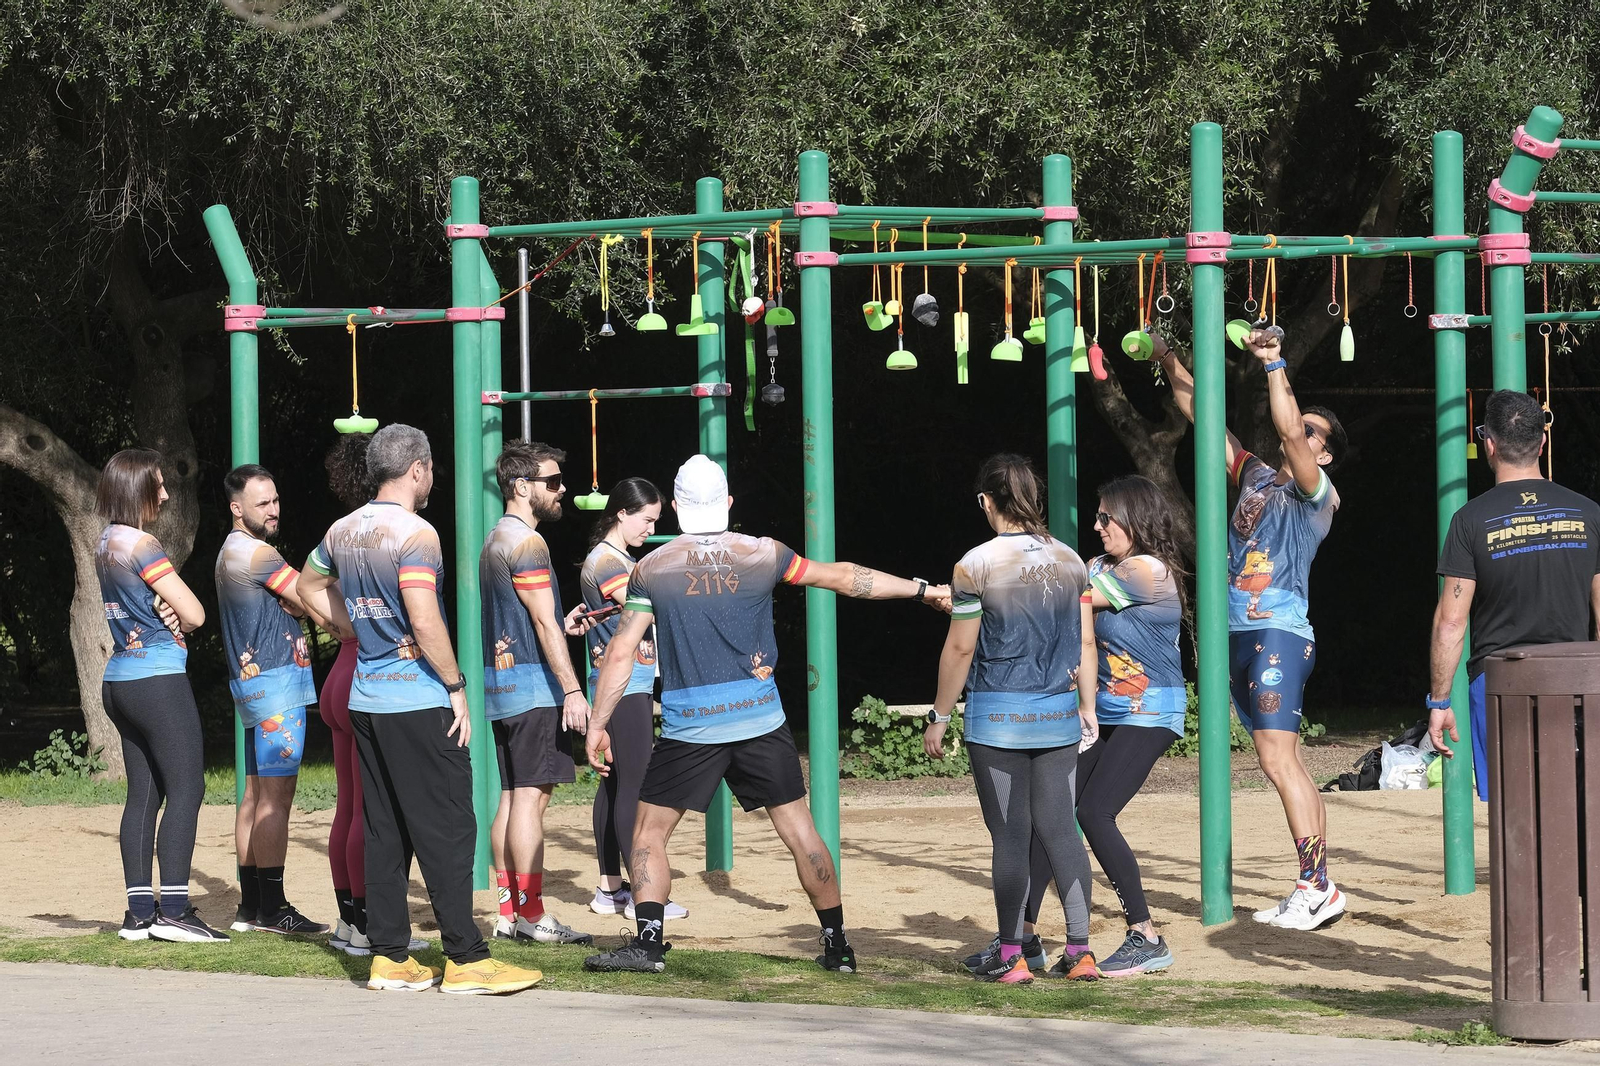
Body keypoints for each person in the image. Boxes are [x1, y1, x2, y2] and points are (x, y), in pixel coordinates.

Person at [582, 455, 950, 974]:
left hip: (693, 725)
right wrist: (922, 589)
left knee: (647, 835)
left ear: (678, 507)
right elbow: (846, 578)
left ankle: (646, 947)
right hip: (761, 718)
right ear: (728, 503)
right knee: (800, 831)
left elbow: (621, 652)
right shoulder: (763, 553)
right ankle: (837, 945)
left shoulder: (651, 569)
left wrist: (598, 724)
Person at [299, 423, 541, 995]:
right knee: (450, 825)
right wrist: (456, 684)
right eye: (430, 468)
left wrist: (347, 627)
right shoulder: (417, 534)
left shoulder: (341, 529)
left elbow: (308, 583)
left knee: (385, 828)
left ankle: (390, 958)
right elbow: (424, 615)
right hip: (417, 698)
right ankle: (465, 958)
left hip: (367, 698)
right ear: (417, 470)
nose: (432, 476)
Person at [1159, 326, 1350, 931]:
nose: (1299, 431)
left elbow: (1291, 427)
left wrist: (1274, 364)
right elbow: (1203, 417)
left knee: (1276, 760)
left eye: (1313, 432)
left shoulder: (1318, 495)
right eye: (1304, 425)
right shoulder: (1258, 476)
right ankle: (1319, 887)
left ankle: (1314, 885)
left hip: (1280, 634)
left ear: (1323, 453)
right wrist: (1166, 357)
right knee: (1285, 762)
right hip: (1237, 634)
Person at [925, 454, 1099, 984]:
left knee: (1009, 835)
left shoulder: (974, 564)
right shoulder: (1072, 561)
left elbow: (960, 648)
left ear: (986, 501)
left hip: (997, 719)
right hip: (1058, 717)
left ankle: (1010, 955)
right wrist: (1087, 707)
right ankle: (1081, 951)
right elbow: (1087, 640)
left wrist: (938, 714)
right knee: (1061, 830)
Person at [1428, 389, 1600, 798]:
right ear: (1543, 441)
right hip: (1573, 679)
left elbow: (1451, 622)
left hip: (1499, 682)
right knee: (1577, 802)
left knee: (1513, 809)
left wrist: (1438, 702)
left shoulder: (1469, 520)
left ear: (1488, 443)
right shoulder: (1589, 513)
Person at [96, 449, 225, 943]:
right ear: (136, 489)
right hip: (157, 679)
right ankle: (173, 909)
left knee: (144, 794)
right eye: (158, 485)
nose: (166, 494)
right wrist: (172, 611)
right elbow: (194, 614)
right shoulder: (143, 543)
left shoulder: (104, 541)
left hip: (119, 680)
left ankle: (138, 915)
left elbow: (141, 602)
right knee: (188, 789)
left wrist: (159, 607)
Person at [480, 440, 597, 945]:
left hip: (502, 687)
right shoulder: (529, 543)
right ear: (522, 487)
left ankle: (508, 912)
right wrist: (572, 688)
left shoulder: (494, 540)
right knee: (531, 800)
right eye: (552, 482)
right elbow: (544, 624)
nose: (562, 489)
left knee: (510, 799)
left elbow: (533, 619)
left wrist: (557, 622)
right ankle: (532, 915)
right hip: (533, 689)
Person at [1074, 475, 1184, 975]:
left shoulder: (1148, 570)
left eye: (1105, 517)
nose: (1097, 526)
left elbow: (1066, 601)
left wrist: (979, 591)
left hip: (1151, 711)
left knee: (1095, 812)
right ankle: (1020, 937)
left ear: (1134, 517)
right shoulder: (1100, 566)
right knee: (1054, 805)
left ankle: (1146, 935)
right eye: (1096, 517)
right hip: (1106, 708)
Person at [215, 464, 329, 936]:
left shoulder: (229, 551)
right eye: (263, 503)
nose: (274, 509)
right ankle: (274, 908)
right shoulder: (258, 554)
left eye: (276, 500)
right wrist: (302, 601)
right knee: (275, 801)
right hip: (278, 685)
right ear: (237, 508)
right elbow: (307, 595)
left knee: (254, 797)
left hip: (253, 684)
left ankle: (251, 905)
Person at [579, 478, 685, 921]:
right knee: (635, 789)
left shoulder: (614, 558)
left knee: (615, 784)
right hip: (624, 684)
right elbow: (644, 610)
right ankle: (642, 893)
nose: (651, 528)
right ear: (622, 513)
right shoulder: (608, 561)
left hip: (621, 681)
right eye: (647, 519)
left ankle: (611, 889)